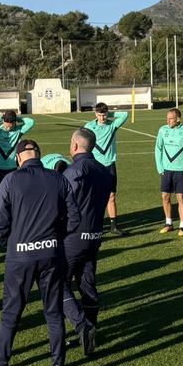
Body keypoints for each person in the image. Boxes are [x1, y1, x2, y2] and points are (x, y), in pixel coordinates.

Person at [0, 139, 77, 366]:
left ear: (18, 158)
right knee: (54, 314)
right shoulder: (58, 179)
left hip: (20, 257)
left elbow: (0, 222)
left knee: (10, 316)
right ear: (40, 155)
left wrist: (11, 243)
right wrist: (55, 238)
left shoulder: (11, 180)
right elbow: (74, 218)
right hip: (52, 255)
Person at [60, 129, 110, 353]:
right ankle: (92, 332)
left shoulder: (74, 172)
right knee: (87, 283)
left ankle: (83, 325)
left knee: (56, 284)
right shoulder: (104, 170)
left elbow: (62, 202)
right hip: (96, 235)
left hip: (74, 237)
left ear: (74, 147)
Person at [0, 110, 35, 242]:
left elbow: (31, 122)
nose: (8, 126)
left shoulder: (19, 129)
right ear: (3, 121)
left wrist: (17, 118)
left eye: (11, 124)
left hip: (11, 170)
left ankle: (14, 231)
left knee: (13, 201)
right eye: (6, 123)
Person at [83, 103, 129, 236]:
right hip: (95, 166)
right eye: (99, 115)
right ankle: (94, 225)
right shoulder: (89, 126)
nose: (102, 117)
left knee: (111, 196)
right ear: (95, 114)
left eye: (104, 115)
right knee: (93, 197)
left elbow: (125, 114)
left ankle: (113, 226)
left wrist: (110, 114)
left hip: (109, 166)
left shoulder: (112, 125)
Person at [155, 108, 183, 236]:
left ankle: (182, 226)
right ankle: (169, 223)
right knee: (165, 197)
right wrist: (160, 167)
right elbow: (158, 148)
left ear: (178, 119)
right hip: (166, 170)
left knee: (180, 198)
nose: (168, 120)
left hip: (180, 171)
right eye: (167, 118)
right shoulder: (162, 130)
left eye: (171, 118)